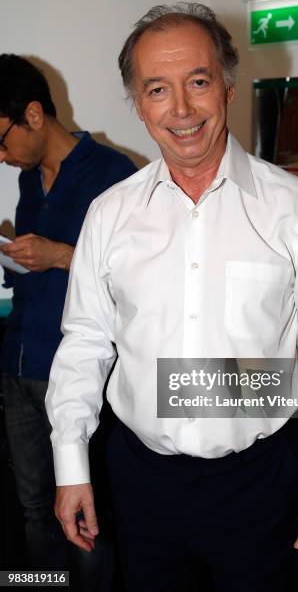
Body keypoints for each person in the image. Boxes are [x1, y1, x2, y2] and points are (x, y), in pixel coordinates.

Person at [45, 3, 298, 592]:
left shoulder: (294, 209)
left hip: (263, 484)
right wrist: (71, 466)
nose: (182, 109)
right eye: (157, 90)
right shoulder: (110, 215)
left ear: (228, 87)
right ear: (139, 105)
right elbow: (85, 344)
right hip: (139, 484)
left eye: (198, 82)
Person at [0, 55, 136, 586]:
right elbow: (40, 274)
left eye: (3, 140)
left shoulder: (115, 174)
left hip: (78, 373)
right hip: (20, 363)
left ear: (34, 115)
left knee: (86, 512)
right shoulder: (30, 183)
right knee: (34, 510)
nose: (2, 155)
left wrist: (59, 254)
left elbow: (133, 275)